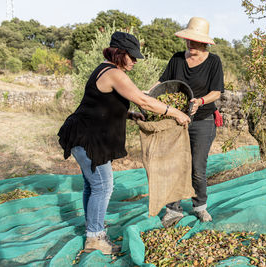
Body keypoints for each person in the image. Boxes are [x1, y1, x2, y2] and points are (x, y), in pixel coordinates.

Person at [57, 31, 190, 255]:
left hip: (84, 135)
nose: (136, 61)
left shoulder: (105, 70)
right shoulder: (114, 74)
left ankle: (93, 231)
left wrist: (129, 115)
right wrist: (176, 112)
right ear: (120, 53)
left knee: (93, 186)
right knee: (103, 187)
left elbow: (102, 104)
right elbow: (144, 101)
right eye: (133, 56)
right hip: (90, 140)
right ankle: (95, 238)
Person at [150, 17, 224, 227]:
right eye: (188, 40)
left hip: (202, 120)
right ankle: (173, 210)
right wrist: (148, 95)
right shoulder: (176, 59)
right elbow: (163, 82)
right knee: (174, 165)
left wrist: (200, 101)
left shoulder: (213, 62)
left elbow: (217, 92)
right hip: (176, 120)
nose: (190, 44)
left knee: (197, 168)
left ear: (204, 43)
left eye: (195, 41)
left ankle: (200, 206)